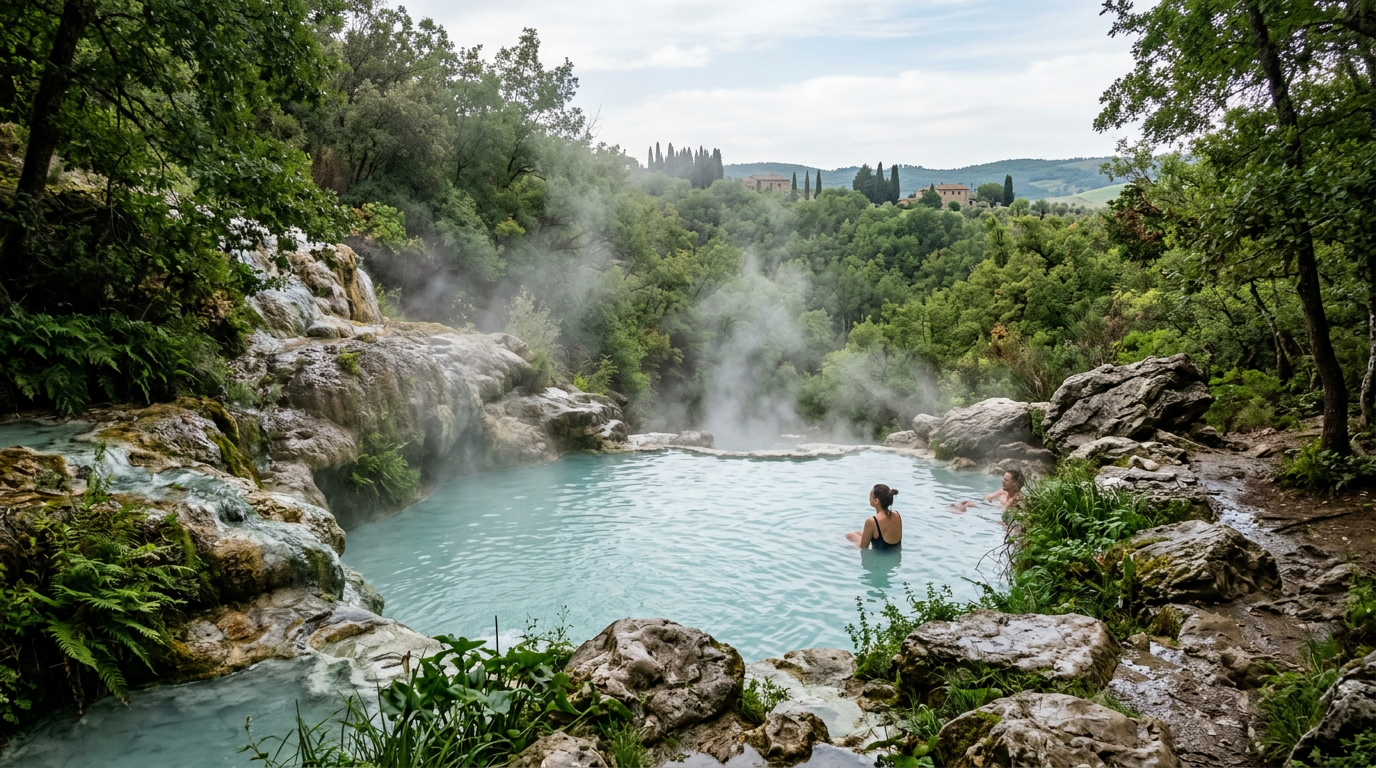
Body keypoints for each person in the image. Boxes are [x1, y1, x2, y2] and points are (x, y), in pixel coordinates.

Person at [846, 484, 902, 549]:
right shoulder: (897, 514)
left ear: (876, 501)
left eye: (871, 495)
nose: (869, 498)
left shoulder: (872, 521)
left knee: (848, 536)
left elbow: (863, 548)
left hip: (880, 554)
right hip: (893, 552)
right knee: (857, 533)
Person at [948, 469, 1024, 515]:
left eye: (1006, 480)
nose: (1002, 481)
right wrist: (974, 504)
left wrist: (976, 506)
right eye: (1003, 479)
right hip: (989, 509)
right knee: (963, 503)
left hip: (995, 515)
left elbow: (1003, 511)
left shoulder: (1017, 498)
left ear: (1015, 483)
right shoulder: (1002, 492)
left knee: (966, 505)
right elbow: (985, 499)